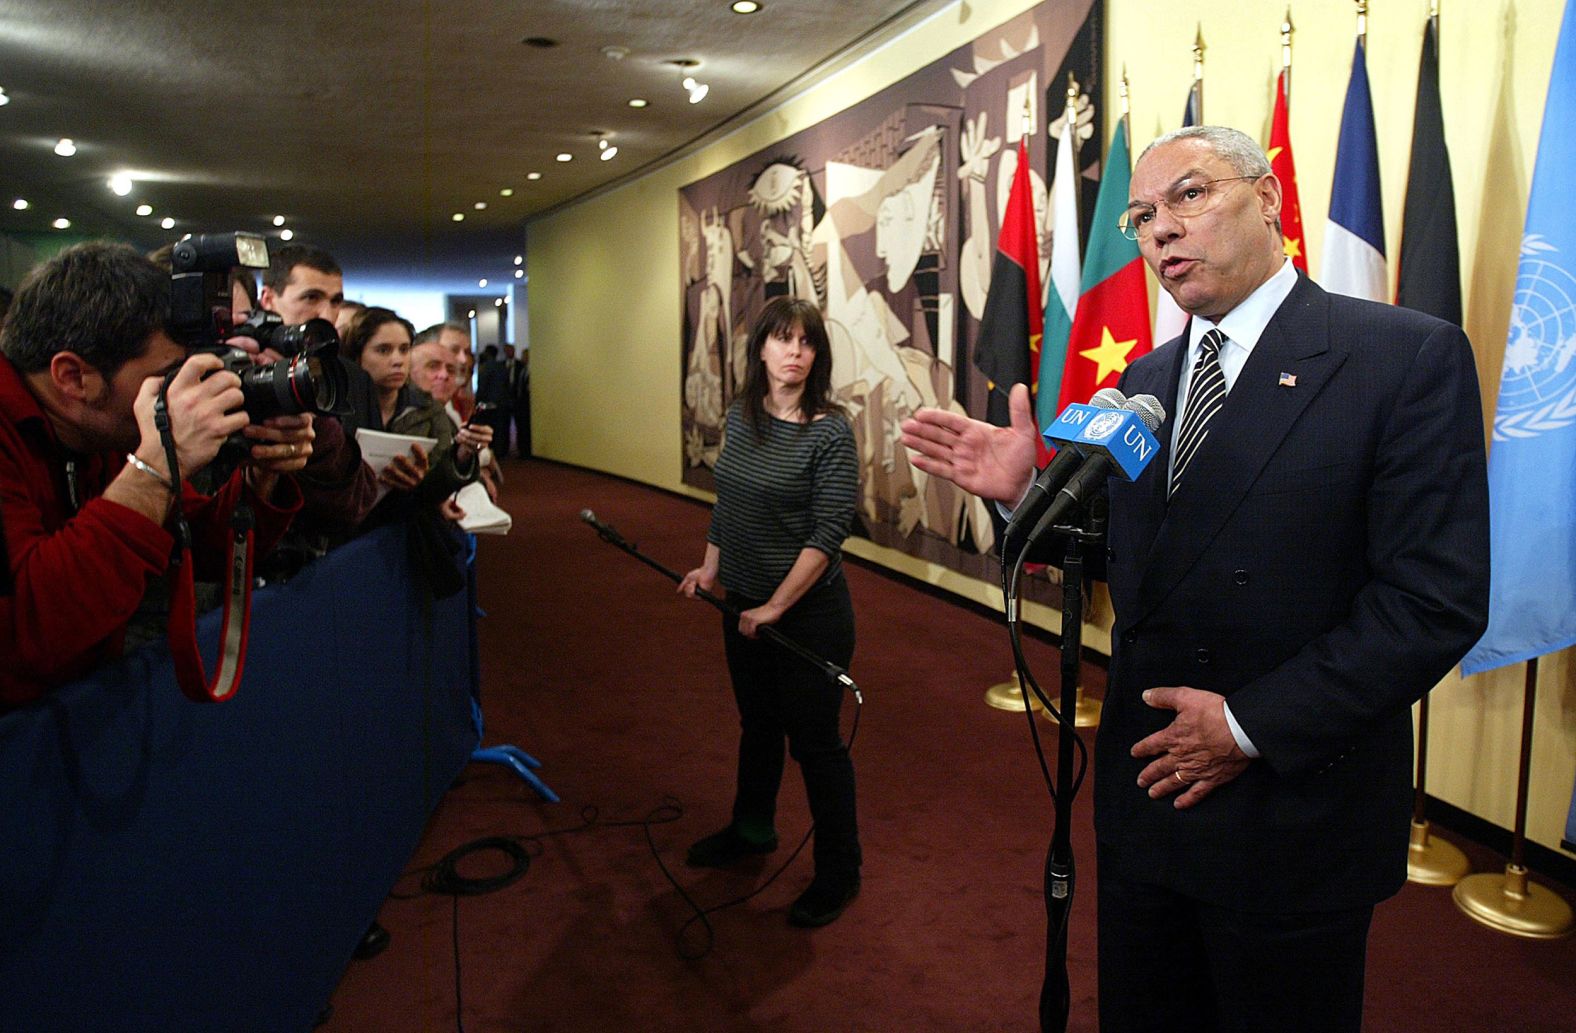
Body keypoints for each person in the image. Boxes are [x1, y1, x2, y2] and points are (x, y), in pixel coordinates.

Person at [899, 126, 1490, 1031]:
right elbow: (1144, 569)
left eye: (1188, 196)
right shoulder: (1146, 377)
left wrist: (1248, 727)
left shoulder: (1402, 356)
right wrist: (1029, 495)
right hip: (1148, 801)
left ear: (1269, 201)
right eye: (1142, 216)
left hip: (1287, 810)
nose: (1159, 232)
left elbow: (1432, 602)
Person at [0, 242, 311, 708]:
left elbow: (202, 547)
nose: (189, 391)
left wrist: (260, 475)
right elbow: (30, 630)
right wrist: (156, 466)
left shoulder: (100, 428)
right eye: (169, 375)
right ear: (72, 377)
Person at [678, 296, 862, 928]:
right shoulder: (743, 415)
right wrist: (711, 567)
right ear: (760, 348)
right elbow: (728, 501)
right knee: (757, 727)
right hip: (745, 607)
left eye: (806, 343)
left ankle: (840, 873)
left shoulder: (830, 430)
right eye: (782, 340)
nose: (794, 352)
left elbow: (828, 531)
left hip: (808, 617)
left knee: (815, 745)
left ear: (817, 355)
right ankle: (751, 830)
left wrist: (776, 607)